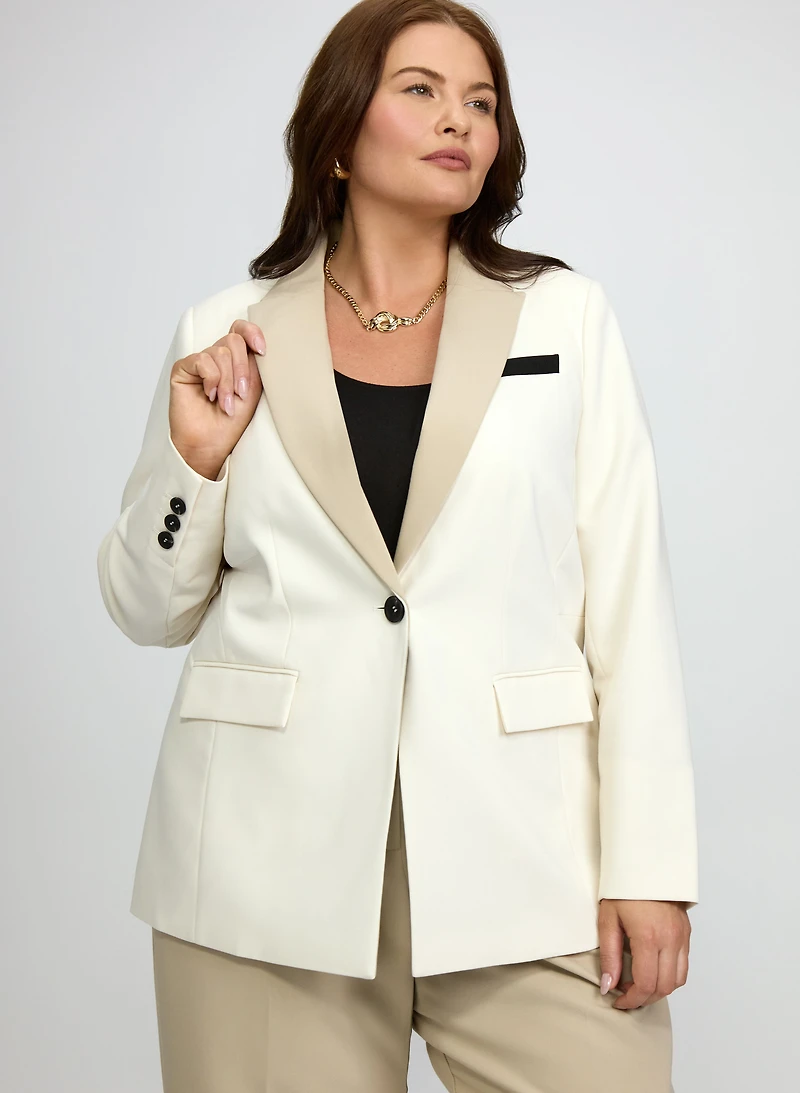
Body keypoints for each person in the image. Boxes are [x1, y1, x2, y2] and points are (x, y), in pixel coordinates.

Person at [96, 1, 699, 1090]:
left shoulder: (566, 320)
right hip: (261, 869)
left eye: (481, 101)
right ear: (339, 133)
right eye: (420, 90)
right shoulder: (226, 332)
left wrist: (649, 863)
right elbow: (149, 609)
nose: (458, 119)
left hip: (530, 858)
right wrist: (194, 462)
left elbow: (628, 603)